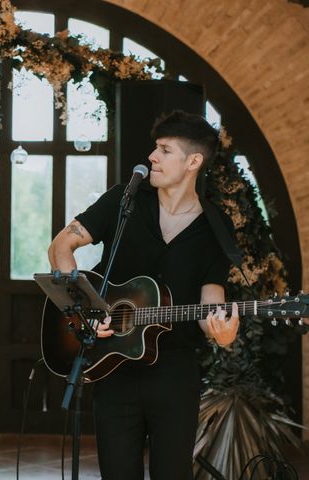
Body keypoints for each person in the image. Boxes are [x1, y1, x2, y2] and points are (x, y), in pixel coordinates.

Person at [47, 110, 240, 480]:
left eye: (165, 150)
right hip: (113, 366)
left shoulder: (215, 226)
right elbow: (61, 246)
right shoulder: (125, 201)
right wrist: (85, 309)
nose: (152, 156)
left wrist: (223, 333)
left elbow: (210, 301)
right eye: (155, 148)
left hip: (175, 373)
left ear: (193, 162)